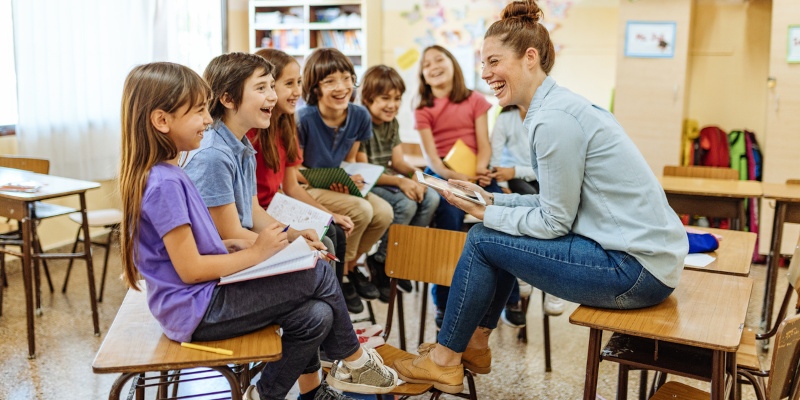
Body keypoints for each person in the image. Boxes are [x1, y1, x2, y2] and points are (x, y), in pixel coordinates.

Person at [393, 0, 689, 394]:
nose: (485, 74)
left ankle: (447, 359)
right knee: (493, 234)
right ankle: (476, 344)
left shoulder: (553, 121)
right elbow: (555, 203)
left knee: (483, 240)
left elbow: (553, 222)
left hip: (634, 271)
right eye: (483, 64)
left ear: (530, 57)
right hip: (643, 259)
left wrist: (487, 215)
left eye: (494, 62)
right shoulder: (556, 108)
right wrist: (492, 201)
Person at [119, 61, 398, 400]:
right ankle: (355, 361)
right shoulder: (165, 182)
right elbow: (190, 270)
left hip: (202, 299)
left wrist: (239, 245)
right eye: (197, 112)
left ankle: (265, 394)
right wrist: (256, 253)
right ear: (162, 121)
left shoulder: (170, 172)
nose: (208, 119)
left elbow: (206, 241)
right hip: (196, 309)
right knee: (319, 272)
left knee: (317, 315)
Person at [245, 48, 361, 313]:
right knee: (327, 241)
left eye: (298, 82)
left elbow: (292, 187)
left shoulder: (287, 124)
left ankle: (336, 312)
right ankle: (329, 316)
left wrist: (329, 213)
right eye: (288, 84)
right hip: (260, 214)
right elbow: (251, 208)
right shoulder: (253, 131)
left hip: (277, 206)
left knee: (334, 229)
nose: (297, 91)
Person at [412, 44, 505, 325]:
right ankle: (443, 302)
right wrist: (456, 178)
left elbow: (484, 144)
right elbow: (433, 159)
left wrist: (478, 172)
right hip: (441, 172)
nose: (434, 66)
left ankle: (506, 299)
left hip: (475, 172)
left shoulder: (475, 99)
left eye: (439, 59)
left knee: (499, 210)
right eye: (427, 64)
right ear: (423, 77)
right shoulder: (423, 108)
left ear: (453, 64)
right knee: (448, 219)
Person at [297, 48, 393, 303]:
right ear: (315, 87)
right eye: (330, 81)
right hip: (307, 185)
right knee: (361, 210)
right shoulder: (303, 118)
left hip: (337, 183)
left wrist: (354, 178)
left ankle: (350, 267)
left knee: (384, 212)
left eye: (347, 78)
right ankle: (345, 275)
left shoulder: (360, 115)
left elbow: (350, 160)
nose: (341, 87)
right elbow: (294, 171)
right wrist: (330, 179)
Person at [355, 65, 440, 301]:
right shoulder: (361, 122)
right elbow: (365, 172)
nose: (392, 105)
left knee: (431, 197)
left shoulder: (391, 123)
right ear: (368, 98)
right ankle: (381, 261)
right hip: (367, 183)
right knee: (406, 205)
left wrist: (416, 176)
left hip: (387, 179)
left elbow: (398, 161)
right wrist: (401, 183)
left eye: (397, 99)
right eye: (385, 98)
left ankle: (400, 257)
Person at [486, 105, 566, 319]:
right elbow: (495, 159)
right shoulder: (506, 119)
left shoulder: (549, 117)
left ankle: (552, 284)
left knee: (558, 210)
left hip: (540, 177)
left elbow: (550, 165)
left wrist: (516, 170)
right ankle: (523, 273)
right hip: (513, 180)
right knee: (529, 205)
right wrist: (503, 184)